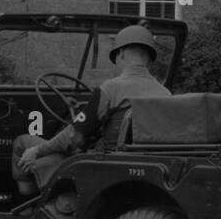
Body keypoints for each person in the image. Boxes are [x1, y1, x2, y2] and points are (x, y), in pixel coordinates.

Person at [11, 24, 171, 196]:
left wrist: (37, 150)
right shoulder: (165, 94)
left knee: (22, 143)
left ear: (122, 52)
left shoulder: (110, 89)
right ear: (149, 58)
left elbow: (74, 137)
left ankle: (28, 204)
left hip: (101, 162)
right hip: (146, 167)